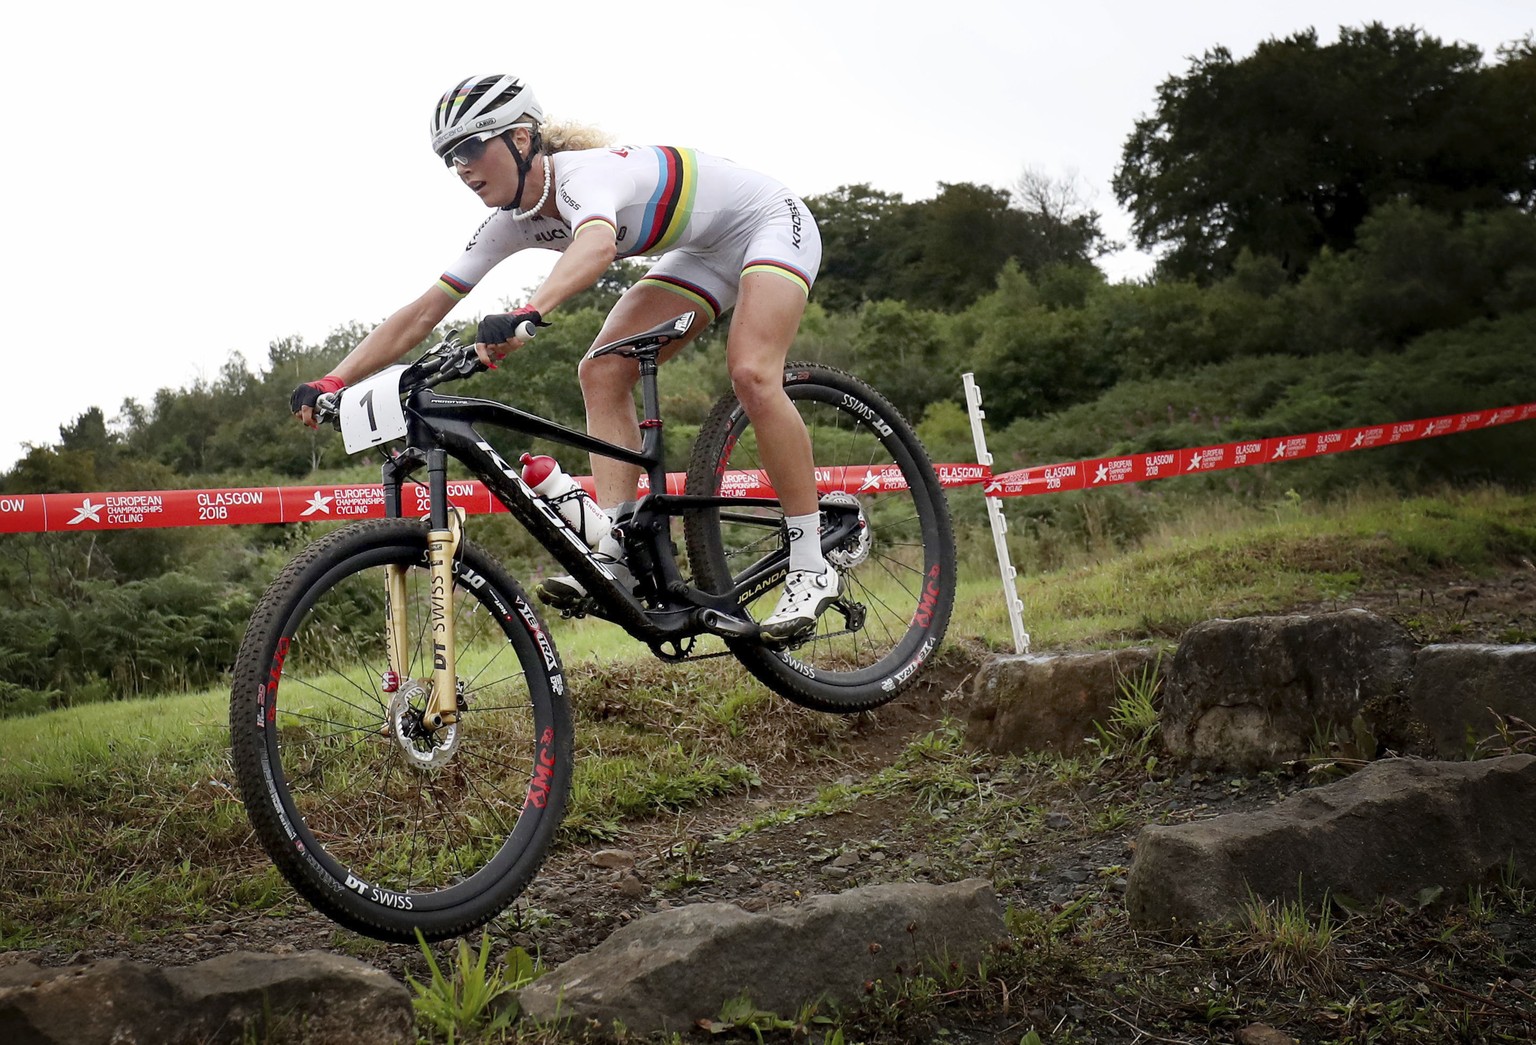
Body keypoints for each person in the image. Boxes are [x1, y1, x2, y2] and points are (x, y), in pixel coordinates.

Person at [290, 74, 836, 644]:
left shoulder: (583, 175)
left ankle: (810, 558)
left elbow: (597, 245)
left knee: (751, 371)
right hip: (703, 252)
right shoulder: (507, 223)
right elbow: (426, 309)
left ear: (522, 140)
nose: (463, 168)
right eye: (452, 157)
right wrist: (333, 378)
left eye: (473, 147)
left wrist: (531, 309)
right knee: (601, 369)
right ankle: (622, 547)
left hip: (771, 223)